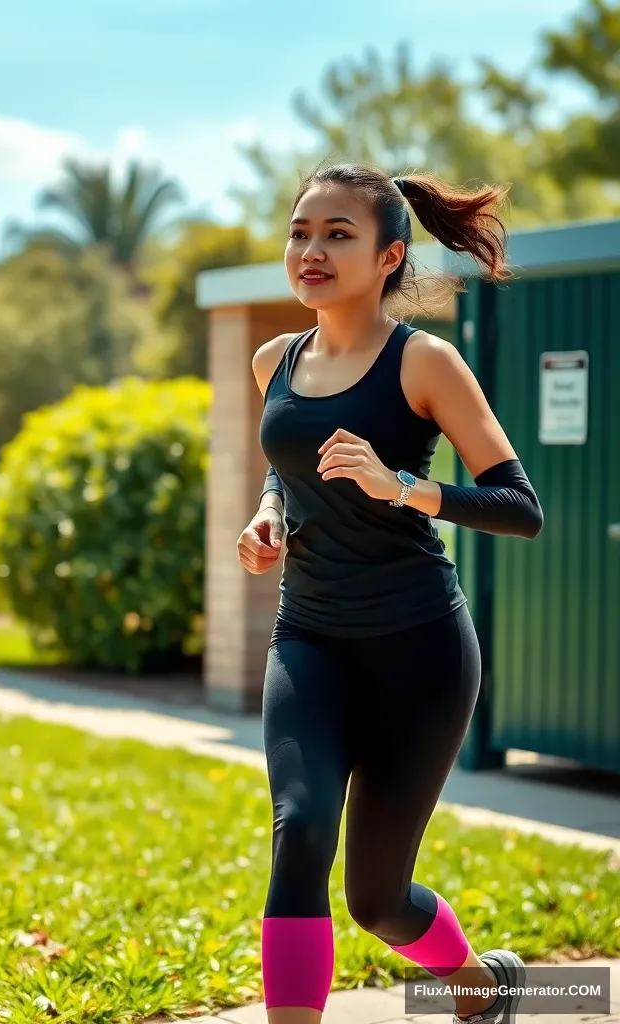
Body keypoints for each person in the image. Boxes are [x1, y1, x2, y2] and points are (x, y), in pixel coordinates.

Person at [237, 164, 543, 1024]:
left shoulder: (425, 363)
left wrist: (402, 486)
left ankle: (482, 987)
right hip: (312, 640)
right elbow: (288, 468)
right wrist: (268, 517)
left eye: (339, 235)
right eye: (301, 231)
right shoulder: (277, 361)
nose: (312, 250)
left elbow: (522, 509)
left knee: (376, 900)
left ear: (389, 255)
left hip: (419, 650)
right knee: (298, 834)